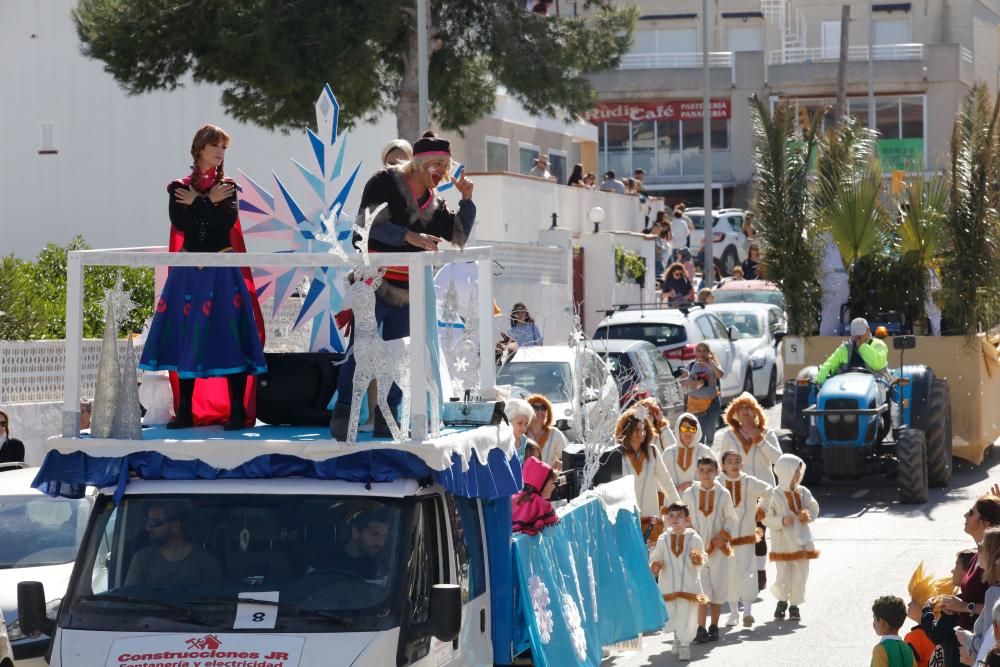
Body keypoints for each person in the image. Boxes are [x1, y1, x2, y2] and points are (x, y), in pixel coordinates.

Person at [329, 131, 475, 439]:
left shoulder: (436, 202)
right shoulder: (383, 181)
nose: (440, 171)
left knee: (399, 356)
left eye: (445, 165)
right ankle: (343, 412)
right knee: (360, 349)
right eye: (435, 163)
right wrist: (408, 237)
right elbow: (361, 232)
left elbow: (458, 236)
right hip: (373, 282)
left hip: (407, 290)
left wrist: (467, 200)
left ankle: (388, 417)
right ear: (419, 162)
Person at [137, 124, 266, 430]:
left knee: (229, 334)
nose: (220, 153)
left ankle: (236, 411)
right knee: (187, 336)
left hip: (222, 270)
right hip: (189, 273)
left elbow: (223, 226)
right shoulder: (179, 187)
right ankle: (185, 411)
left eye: (224, 148)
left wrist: (199, 203)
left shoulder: (229, 188)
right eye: (215, 146)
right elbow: (183, 225)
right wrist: (207, 202)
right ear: (200, 149)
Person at [718, 392, 783, 590]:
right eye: (741, 408)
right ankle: (738, 572)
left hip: (762, 491)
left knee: (759, 532)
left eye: (749, 408)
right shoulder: (728, 435)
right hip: (737, 491)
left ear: (756, 412)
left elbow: (778, 460)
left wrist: (759, 439)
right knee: (737, 532)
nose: (745, 412)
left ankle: (760, 572)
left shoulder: (767, 433)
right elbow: (722, 463)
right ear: (735, 413)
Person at [683, 456, 738, 644]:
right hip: (697, 551)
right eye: (702, 470)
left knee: (717, 589)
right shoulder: (689, 494)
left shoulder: (723, 494)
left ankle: (714, 626)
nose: (706, 474)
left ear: (716, 472)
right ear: (697, 471)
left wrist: (723, 536)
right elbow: (684, 520)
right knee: (701, 590)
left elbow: (731, 518)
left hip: (718, 550)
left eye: (709, 470)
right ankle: (700, 627)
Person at [763, 453, 820, 621]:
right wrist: (781, 520)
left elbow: (813, 507)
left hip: (802, 543)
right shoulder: (773, 495)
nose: (798, 476)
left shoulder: (803, 492)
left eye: (799, 472)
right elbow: (765, 517)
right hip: (782, 543)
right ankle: (782, 601)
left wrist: (808, 515)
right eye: (795, 472)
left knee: (801, 574)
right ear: (785, 472)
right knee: (783, 574)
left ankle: (794, 605)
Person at [719, 449, 772, 629]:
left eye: (736, 461)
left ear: (742, 464)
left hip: (747, 536)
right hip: (726, 538)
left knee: (748, 573)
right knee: (730, 575)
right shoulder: (718, 483)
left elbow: (768, 490)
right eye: (729, 461)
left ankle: (748, 611)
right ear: (723, 465)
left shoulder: (749, 481)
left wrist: (761, 510)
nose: (733, 465)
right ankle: (733, 613)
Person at [649, 502, 706, 662]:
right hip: (668, 586)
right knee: (672, 615)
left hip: (688, 586)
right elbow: (656, 556)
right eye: (671, 516)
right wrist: (656, 564)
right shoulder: (663, 538)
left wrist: (698, 558)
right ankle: (676, 637)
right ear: (666, 518)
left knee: (686, 615)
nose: (675, 519)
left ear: (687, 519)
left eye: (679, 516)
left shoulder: (694, 538)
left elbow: (702, 556)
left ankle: (684, 645)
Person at [616, 408, 680, 547]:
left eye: (644, 429)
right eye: (637, 430)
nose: (642, 433)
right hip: (626, 518)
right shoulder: (617, 455)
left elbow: (665, 481)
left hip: (651, 519)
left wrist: (678, 505)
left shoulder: (652, 451)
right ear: (627, 430)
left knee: (652, 561)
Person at [124, 502, 223, 588]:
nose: (147, 528)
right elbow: (129, 600)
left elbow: (215, 604)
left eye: (154, 523)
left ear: (175, 525)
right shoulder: (142, 559)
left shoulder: (206, 561)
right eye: (147, 522)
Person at [939, 495, 1000, 630]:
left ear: (985, 523)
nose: (965, 515)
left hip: (982, 640)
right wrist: (955, 605)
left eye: (971, 513)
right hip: (968, 641)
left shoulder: (994, 561)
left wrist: (965, 607)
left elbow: (997, 604)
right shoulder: (977, 555)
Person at [920, 549, 978, 667]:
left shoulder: (957, 603)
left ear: (968, 571)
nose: (952, 570)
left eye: (956, 565)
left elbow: (937, 634)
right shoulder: (981, 599)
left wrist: (927, 611)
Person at [957, 527, 1000, 661]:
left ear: (993, 554)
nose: (978, 552)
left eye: (981, 547)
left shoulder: (993, 593)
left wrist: (966, 638)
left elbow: (988, 648)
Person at [904, 562, 956, 667]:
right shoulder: (946, 632)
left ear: (924, 605)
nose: (908, 604)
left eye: (913, 601)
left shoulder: (915, 637)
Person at [318, 509, 392, 579]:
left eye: (384, 536)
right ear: (355, 532)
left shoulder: (385, 564)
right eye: (374, 534)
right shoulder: (326, 559)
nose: (380, 542)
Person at [815, 317, 889, 385]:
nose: (858, 338)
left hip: (876, 387)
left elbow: (877, 364)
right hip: (848, 386)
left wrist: (862, 346)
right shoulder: (846, 348)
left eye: (860, 335)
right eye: (856, 335)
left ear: (868, 330)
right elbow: (829, 364)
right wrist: (818, 382)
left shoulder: (878, 345)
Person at [682, 343, 724, 447]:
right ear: (695, 352)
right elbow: (683, 381)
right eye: (699, 350)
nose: (702, 353)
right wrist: (694, 383)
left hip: (712, 402)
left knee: (710, 430)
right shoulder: (691, 366)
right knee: (699, 430)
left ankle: (708, 449)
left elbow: (720, 375)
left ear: (708, 352)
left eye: (704, 350)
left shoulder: (712, 364)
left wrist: (710, 362)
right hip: (695, 403)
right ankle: (700, 454)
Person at [663, 412, 714, 495]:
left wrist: (693, 485)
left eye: (692, 429)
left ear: (697, 431)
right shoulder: (669, 453)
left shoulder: (705, 451)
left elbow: (717, 478)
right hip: (675, 504)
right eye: (684, 428)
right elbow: (660, 479)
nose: (688, 432)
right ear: (678, 429)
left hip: (700, 501)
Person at [512, 457, 560, 535]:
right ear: (541, 484)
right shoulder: (543, 505)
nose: (554, 487)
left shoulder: (514, 498)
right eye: (552, 483)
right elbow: (549, 533)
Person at [872, 595, 919, 667]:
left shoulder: (880, 649)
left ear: (882, 621)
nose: (873, 623)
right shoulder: (907, 649)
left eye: (875, 619)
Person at [525, 395, 567, 471]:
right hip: (525, 480)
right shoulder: (522, 433)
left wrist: (561, 463)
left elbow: (566, 457)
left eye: (543, 408)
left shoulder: (554, 433)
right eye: (535, 408)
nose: (540, 411)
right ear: (528, 410)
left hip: (549, 480)